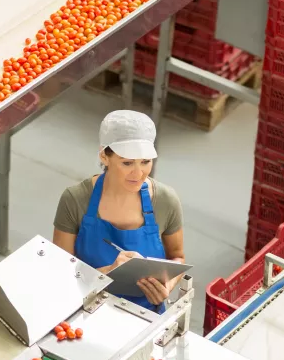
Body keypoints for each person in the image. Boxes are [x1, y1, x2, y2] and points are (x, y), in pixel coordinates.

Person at [53, 110, 185, 313]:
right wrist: (107, 273)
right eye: (127, 163)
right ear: (104, 156)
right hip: (87, 309)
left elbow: (177, 257)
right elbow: (60, 270)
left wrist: (165, 286)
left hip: (146, 314)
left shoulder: (166, 200)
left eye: (145, 162)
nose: (138, 173)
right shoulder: (76, 199)